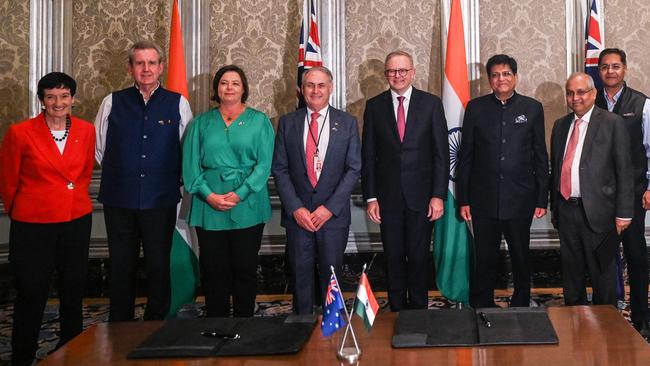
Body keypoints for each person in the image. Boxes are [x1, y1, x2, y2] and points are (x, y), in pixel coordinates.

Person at [0, 72, 95, 365]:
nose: (58, 102)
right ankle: (23, 356)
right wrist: (25, 211)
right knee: (31, 293)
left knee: (73, 291)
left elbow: (85, 172)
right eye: (51, 96)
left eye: (64, 96)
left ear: (73, 99)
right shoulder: (21, 132)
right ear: (41, 100)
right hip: (33, 224)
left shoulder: (86, 130)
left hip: (75, 220)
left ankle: (72, 353)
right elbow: (8, 181)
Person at [95, 40, 192, 321]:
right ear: (130, 68)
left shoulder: (178, 103)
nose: (146, 69)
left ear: (161, 67)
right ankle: (120, 326)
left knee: (158, 265)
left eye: (152, 63)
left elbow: (186, 149)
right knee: (121, 266)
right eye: (140, 63)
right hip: (119, 199)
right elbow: (99, 148)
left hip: (160, 199)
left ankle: (155, 325)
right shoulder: (112, 101)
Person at [456, 54, 549, 308]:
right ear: (489, 79)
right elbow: (466, 157)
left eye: (506, 73)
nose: (501, 79)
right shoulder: (475, 108)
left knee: (521, 256)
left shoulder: (532, 108)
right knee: (484, 258)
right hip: (483, 200)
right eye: (495, 75)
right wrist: (463, 199)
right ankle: (482, 305)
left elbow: (540, 156)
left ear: (515, 77)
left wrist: (542, 197)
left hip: (521, 199)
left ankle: (520, 303)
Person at [182, 65, 274, 317]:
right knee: (213, 269)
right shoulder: (200, 123)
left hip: (248, 204)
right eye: (224, 83)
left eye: (235, 83)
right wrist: (209, 195)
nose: (229, 87)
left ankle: (244, 322)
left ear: (244, 88)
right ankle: (216, 322)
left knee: (245, 267)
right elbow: (190, 166)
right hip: (208, 205)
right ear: (217, 89)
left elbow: (265, 165)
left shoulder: (259, 121)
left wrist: (241, 192)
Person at [362, 50, 449, 311]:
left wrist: (438, 195)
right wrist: (371, 197)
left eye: (402, 71)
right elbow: (368, 156)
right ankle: (397, 310)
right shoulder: (374, 106)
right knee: (394, 257)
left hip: (422, 198)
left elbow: (440, 155)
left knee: (420, 257)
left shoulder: (431, 104)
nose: (397, 76)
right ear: (386, 74)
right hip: (387, 200)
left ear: (413, 72)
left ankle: (419, 311)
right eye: (391, 71)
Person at [272, 66, 361, 314]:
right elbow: (279, 169)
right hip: (298, 217)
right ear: (301, 90)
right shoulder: (287, 123)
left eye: (321, 85)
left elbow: (354, 169)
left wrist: (329, 209)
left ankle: (332, 332)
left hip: (332, 217)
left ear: (330, 89)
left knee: (332, 276)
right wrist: (296, 208)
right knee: (300, 276)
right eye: (310, 85)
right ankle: (301, 329)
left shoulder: (348, 123)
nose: (315, 90)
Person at [550, 72, 633, 307]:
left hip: (600, 213)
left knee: (602, 277)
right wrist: (555, 207)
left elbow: (624, 170)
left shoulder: (612, 123)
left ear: (593, 93)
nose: (575, 98)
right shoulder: (560, 125)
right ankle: (575, 329)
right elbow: (557, 169)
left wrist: (624, 212)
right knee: (571, 274)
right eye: (570, 93)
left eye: (581, 92)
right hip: (566, 210)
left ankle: (606, 330)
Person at [595, 48, 650, 336]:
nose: (610, 71)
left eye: (615, 66)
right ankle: (607, 317)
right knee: (603, 258)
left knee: (636, 255)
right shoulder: (591, 101)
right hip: (600, 196)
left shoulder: (642, 104)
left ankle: (642, 318)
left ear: (625, 69)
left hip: (633, 193)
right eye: (605, 67)